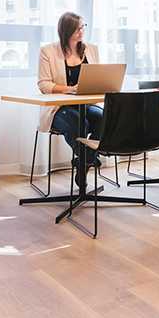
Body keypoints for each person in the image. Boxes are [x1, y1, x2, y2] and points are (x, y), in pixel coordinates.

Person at [37, 12, 101, 188]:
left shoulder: (91, 49)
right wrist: (70, 89)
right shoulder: (48, 51)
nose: (81, 31)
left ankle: (83, 162)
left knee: (104, 118)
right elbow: (43, 84)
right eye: (77, 29)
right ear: (66, 31)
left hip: (86, 103)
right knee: (78, 123)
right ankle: (89, 159)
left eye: (83, 27)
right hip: (59, 107)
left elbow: (98, 76)